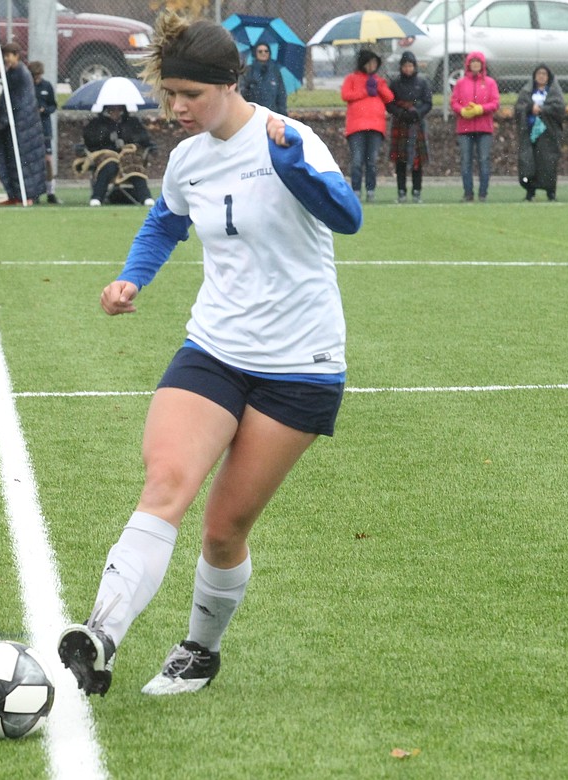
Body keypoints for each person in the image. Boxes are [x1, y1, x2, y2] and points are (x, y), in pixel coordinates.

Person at [57, 13, 361, 698]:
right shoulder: (189, 157)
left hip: (300, 365)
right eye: (170, 94)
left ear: (229, 83)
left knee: (223, 531)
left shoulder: (291, 137)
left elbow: (347, 216)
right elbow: (164, 219)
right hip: (214, 349)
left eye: (189, 94)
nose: (176, 108)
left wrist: (293, 169)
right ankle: (101, 634)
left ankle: (200, 649)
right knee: (166, 479)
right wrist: (132, 277)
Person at [0, 42, 46, 205]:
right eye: (4, 55)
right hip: (14, 125)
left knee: (24, 160)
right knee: (12, 159)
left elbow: (20, 101)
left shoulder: (21, 73)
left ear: (17, 56)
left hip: (23, 127)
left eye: (9, 55)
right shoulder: (11, 73)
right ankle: (15, 194)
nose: (7, 59)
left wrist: (4, 120)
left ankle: (27, 195)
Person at [340, 48, 392, 202]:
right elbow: (346, 95)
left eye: (375, 63)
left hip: (375, 126)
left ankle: (371, 190)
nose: (372, 66)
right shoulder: (351, 78)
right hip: (356, 126)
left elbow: (389, 97)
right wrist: (364, 91)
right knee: (357, 160)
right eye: (369, 63)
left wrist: (378, 86)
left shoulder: (378, 80)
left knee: (372, 161)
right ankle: (356, 190)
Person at [78, 104, 154, 206]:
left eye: (118, 109)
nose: (115, 111)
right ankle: (97, 197)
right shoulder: (96, 123)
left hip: (127, 153)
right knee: (109, 164)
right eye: (112, 109)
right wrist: (107, 137)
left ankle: (145, 197)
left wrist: (124, 138)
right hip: (104, 153)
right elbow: (90, 140)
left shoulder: (132, 122)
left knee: (133, 163)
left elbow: (143, 138)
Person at [449, 50, 500, 203]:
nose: (476, 64)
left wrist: (481, 109)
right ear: (468, 65)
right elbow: (454, 102)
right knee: (466, 160)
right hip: (465, 128)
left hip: (484, 128)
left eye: (478, 62)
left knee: (484, 160)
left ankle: (483, 193)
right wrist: (462, 111)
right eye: (473, 62)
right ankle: (468, 193)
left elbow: (495, 102)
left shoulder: (490, 83)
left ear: (482, 65)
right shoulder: (460, 83)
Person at [385, 51, 432, 204]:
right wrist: (400, 113)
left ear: (414, 66)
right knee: (401, 161)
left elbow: (428, 103)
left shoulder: (422, 83)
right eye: (405, 66)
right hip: (401, 124)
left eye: (410, 65)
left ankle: (417, 191)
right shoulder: (395, 83)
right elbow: (389, 103)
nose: (408, 69)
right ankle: (401, 191)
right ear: (401, 67)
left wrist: (417, 113)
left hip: (416, 124)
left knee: (417, 162)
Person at [514, 64, 564, 202]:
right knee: (529, 162)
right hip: (530, 133)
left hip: (548, 134)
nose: (541, 76)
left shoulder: (554, 93)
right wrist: (531, 108)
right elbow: (519, 108)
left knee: (548, 163)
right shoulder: (527, 92)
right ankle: (530, 192)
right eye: (539, 74)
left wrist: (542, 109)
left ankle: (550, 192)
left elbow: (559, 109)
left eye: (544, 74)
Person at [29, 60, 59, 204]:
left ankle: (50, 193)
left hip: (45, 128)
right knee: (33, 161)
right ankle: (33, 193)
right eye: (34, 76)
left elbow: (53, 105)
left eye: (38, 76)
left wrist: (45, 110)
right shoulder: (27, 87)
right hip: (30, 129)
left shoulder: (47, 86)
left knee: (47, 160)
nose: (36, 79)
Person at [238, 42, 287, 116]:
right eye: (260, 51)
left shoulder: (275, 72)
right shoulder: (248, 71)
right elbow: (242, 93)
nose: (263, 53)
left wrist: (282, 114)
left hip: (273, 114)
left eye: (266, 51)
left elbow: (281, 95)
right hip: (254, 114)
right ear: (255, 53)